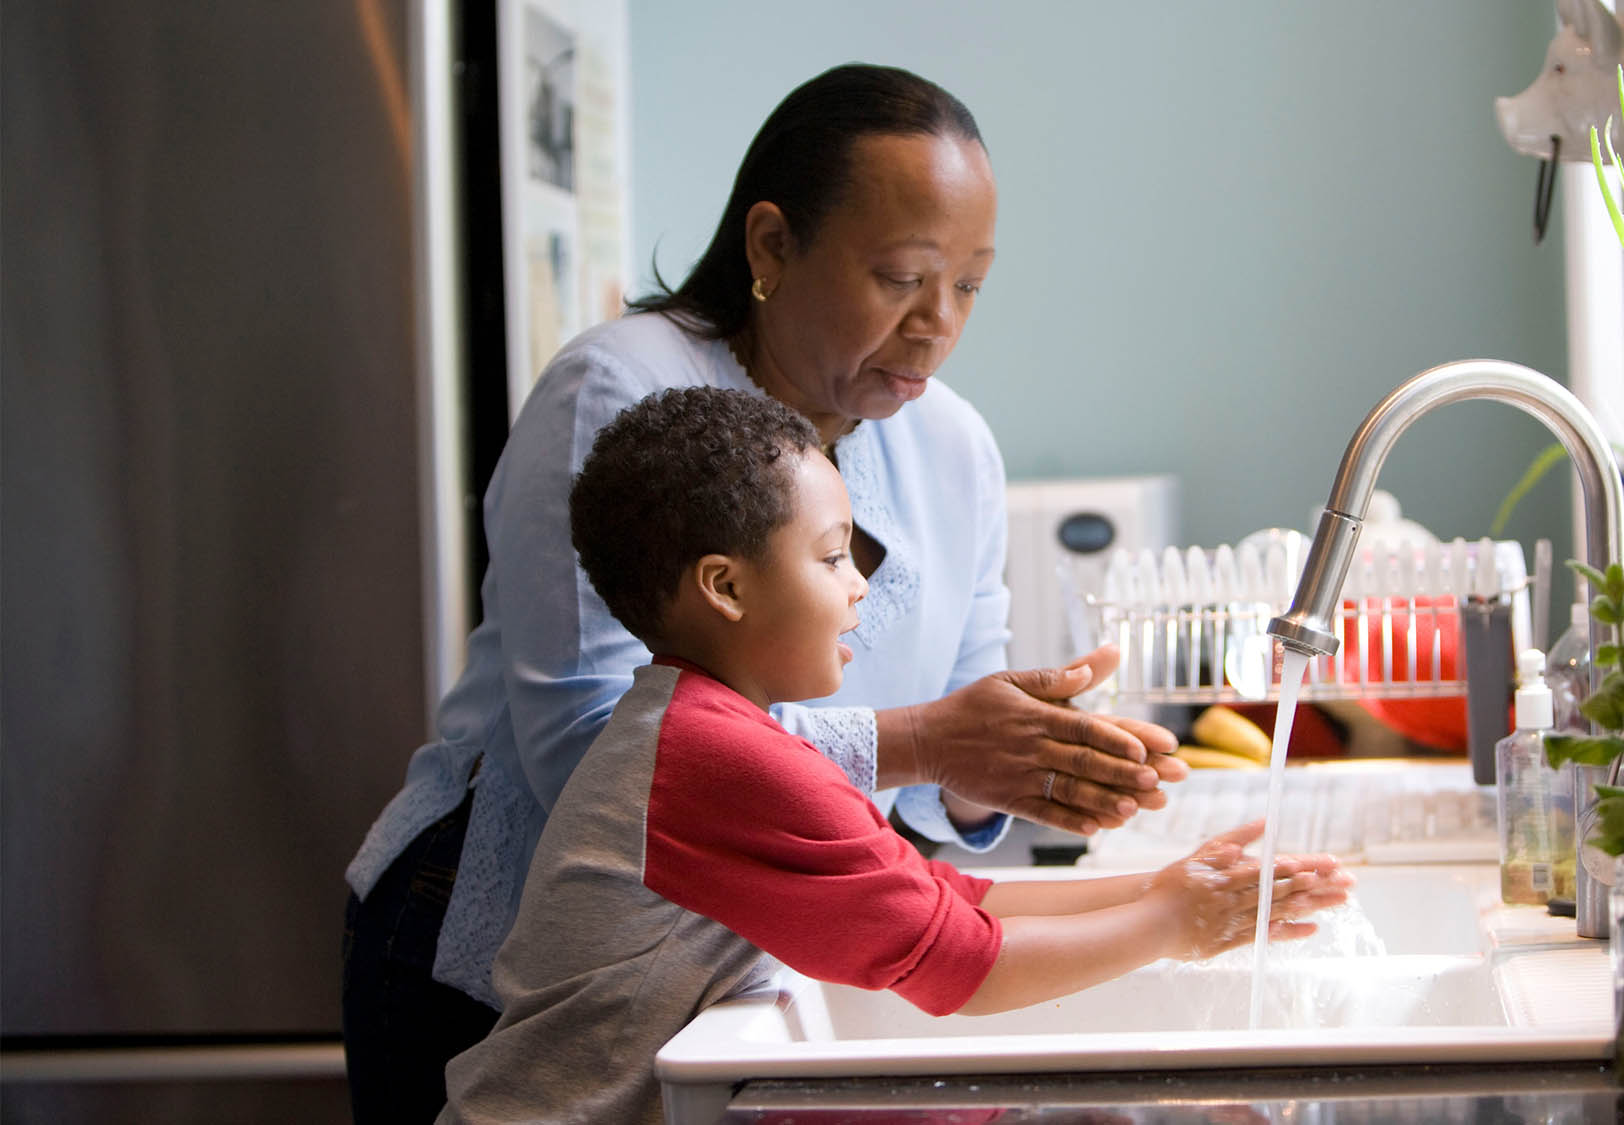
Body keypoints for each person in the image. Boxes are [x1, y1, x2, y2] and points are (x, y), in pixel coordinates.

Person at [342, 62, 1188, 1120]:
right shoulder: (621, 386)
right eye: (900, 276)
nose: (938, 323)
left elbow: (939, 793)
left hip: (728, 968)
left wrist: (1025, 758)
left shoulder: (954, 444)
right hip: (500, 957)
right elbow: (600, 756)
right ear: (771, 246)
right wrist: (928, 740)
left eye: (969, 283)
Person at [437, 387, 1351, 1123]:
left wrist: (1159, 886)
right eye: (833, 557)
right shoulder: (712, 756)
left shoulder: (706, 729)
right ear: (725, 587)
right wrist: (1175, 924)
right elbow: (965, 964)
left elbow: (951, 897)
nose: (860, 584)